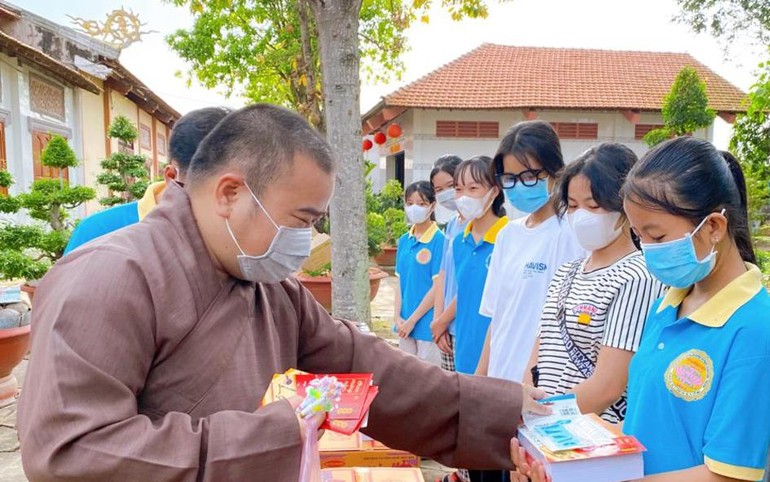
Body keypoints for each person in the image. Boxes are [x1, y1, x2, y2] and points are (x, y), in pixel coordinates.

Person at [17, 104, 548, 481]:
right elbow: (73, 451)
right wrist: (273, 435)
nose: (306, 240)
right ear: (230, 193)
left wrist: (503, 410)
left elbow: (367, 368)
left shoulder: (268, 286)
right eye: (301, 219)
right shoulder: (109, 277)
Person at [515, 139, 770, 482]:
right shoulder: (668, 305)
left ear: (713, 227)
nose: (647, 251)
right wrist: (559, 461)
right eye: (639, 236)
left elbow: (729, 474)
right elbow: (642, 426)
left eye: (658, 237)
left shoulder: (754, 328)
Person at [521, 143, 664, 423]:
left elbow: (607, 387)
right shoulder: (566, 272)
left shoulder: (639, 276)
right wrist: (526, 411)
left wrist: (545, 419)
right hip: (543, 430)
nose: (581, 216)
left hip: (587, 434)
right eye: (573, 206)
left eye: (593, 205)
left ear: (625, 206)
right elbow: (538, 358)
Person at [476, 120, 584, 384]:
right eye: (509, 179)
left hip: (542, 385)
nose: (519, 186)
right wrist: (480, 379)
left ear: (555, 172)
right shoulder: (507, 235)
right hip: (501, 379)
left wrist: (530, 383)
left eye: (528, 176)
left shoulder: (571, 234)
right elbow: (497, 317)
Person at [63, 107, 232, 254]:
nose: (227, 203)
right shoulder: (97, 231)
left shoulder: (234, 237)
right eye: (218, 189)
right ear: (172, 176)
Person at [452, 156, 507, 376]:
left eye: (473, 188)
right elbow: (464, 293)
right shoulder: (459, 242)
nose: (464, 197)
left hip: (499, 356)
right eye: (458, 189)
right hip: (464, 351)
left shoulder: (509, 238)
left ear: (494, 191)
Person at [394, 180, 445, 365]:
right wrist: (397, 317)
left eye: (421, 203)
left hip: (426, 326)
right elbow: (399, 282)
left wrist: (413, 321)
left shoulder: (439, 240)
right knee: (405, 374)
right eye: (410, 203)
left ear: (432, 205)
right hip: (403, 324)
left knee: (428, 376)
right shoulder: (404, 240)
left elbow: (437, 287)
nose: (414, 208)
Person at [429, 154, 465, 373]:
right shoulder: (452, 225)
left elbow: (472, 285)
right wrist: (438, 322)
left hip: (465, 325)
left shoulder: (480, 227)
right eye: (439, 189)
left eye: (451, 186)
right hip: (445, 327)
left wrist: (443, 321)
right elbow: (442, 274)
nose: (446, 193)